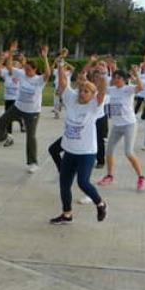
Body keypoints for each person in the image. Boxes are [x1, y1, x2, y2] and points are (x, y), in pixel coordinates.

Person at [49, 60, 108, 224]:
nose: (82, 93)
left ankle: (101, 204)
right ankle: (67, 214)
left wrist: (103, 75)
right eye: (81, 90)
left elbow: (102, 92)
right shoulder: (71, 100)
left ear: (92, 95)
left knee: (83, 182)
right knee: (64, 184)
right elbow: (62, 84)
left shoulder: (94, 107)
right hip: (69, 151)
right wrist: (60, 66)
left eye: (87, 91)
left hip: (86, 153)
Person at [0, 46, 51, 173]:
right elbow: (9, 67)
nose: (26, 71)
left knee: (31, 136)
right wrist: (11, 52)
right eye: (25, 69)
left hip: (32, 112)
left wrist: (45, 57)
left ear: (35, 69)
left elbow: (48, 74)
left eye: (29, 69)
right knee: (0, 122)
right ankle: (6, 138)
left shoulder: (38, 80)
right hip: (18, 107)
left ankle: (33, 163)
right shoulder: (21, 73)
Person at [97, 66, 145, 191]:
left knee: (128, 152)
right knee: (109, 151)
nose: (115, 79)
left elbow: (140, 88)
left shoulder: (128, 88)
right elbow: (100, 89)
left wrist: (137, 74)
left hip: (129, 124)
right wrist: (103, 75)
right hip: (117, 125)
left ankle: (141, 177)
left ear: (124, 80)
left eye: (118, 78)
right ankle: (109, 176)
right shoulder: (112, 89)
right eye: (114, 77)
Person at [0, 46, 25, 134]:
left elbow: (24, 64)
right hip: (8, 98)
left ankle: (21, 124)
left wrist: (20, 57)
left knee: (16, 114)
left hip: (18, 99)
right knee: (8, 116)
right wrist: (2, 58)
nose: (14, 65)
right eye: (13, 64)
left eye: (16, 64)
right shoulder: (6, 73)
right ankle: (9, 134)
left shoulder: (21, 74)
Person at [51, 48, 73, 119]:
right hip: (58, 87)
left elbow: (73, 68)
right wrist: (56, 62)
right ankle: (56, 113)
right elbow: (52, 68)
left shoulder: (68, 73)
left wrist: (66, 63)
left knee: (66, 100)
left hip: (66, 88)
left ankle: (70, 112)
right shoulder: (57, 71)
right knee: (56, 99)